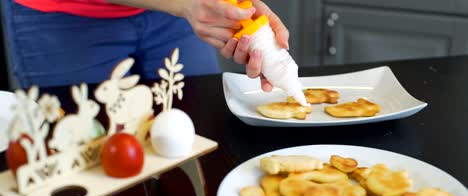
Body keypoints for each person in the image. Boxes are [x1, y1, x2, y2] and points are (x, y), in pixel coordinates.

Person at [2, 0, 288, 91]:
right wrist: (184, 4)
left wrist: (238, 12)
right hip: (61, 19)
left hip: (174, 14)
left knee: (199, 133)